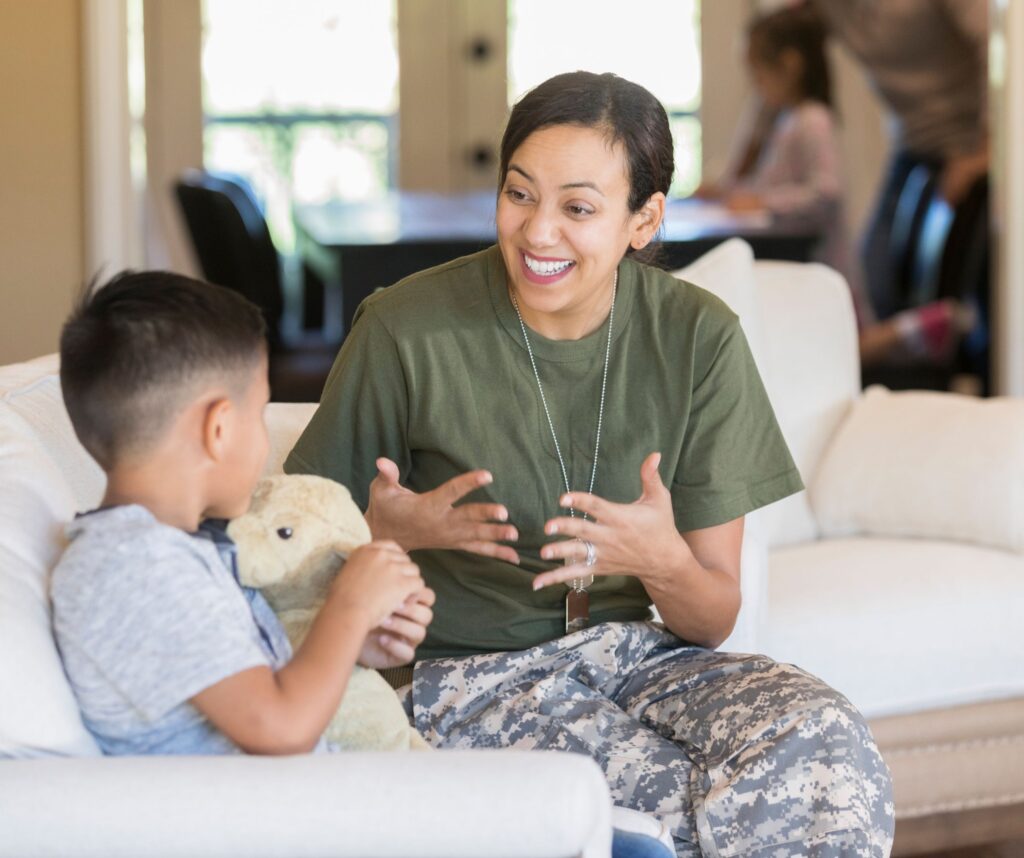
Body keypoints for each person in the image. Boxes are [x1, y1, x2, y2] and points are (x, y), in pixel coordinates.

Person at [285, 71, 895, 856]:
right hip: (474, 676)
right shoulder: (406, 327)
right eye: (519, 194)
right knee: (655, 801)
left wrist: (661, 559)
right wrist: (381, 530)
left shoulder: (699, 339)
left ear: (644, 221)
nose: (538, 233)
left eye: (577, 208)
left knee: (823, 743)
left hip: (645, 658)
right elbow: (283, 551)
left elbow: (710, 617)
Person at [51, 271, 433, 755]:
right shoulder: (135, 567)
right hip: (270, 819)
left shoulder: (172, 549)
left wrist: (355, 644)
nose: (264, 433)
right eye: (259, 412)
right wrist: (349, 606)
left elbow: (252, 686)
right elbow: (279, 728)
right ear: (219, 428)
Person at [701, 3, 972, 368]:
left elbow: (826, 192)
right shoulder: (788, 121)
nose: (757, 87)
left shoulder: (812, 121)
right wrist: (731, 186)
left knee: (842, 351)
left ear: (790, 65)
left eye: (760, 74)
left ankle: (923, 328)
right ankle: (912, 329)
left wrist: (763, 203)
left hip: (824, 263)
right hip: (814, 261)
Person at [812, 0, 989, 322]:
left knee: (959, 292)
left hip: (969, 149)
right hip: (911, 146)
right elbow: (779, 54)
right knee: (876, 284)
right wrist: (735, 176)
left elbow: (998, 45)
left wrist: (983, 154)